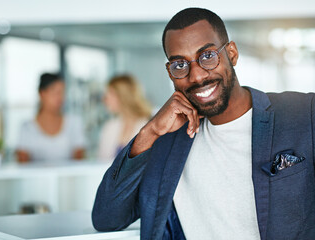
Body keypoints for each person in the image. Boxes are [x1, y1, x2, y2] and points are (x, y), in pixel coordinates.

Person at [92, 8, 315, 240]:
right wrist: (150, 131)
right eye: (180, 65)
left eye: (208, 56)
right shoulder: (166, 141)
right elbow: (107, 218)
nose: (196, 76)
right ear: (170, 73)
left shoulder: (303, 113)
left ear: (232, 53)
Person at [16, 73, 86, 163]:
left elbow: (79, 161)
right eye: (54, 92)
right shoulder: (27, 128)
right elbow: (22, 163)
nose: (60, 97)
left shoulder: (74, 123)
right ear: (41, 93)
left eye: (62, 92)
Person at [98, 74, 152, 161]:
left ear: (124, 96)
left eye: (110, 93)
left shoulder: (148, 126)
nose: (105, 99)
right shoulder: (110, 126)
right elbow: (101, 163)